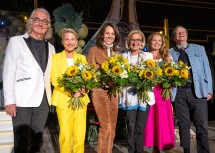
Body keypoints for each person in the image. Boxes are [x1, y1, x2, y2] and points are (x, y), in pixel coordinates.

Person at [3, 8, 55, 153]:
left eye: (45, 21)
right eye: (37, 19)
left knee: (36, 142)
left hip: (43, 102)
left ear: (48, 26)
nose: (41, 23)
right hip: (21, 100)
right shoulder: (16, 41)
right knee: (21, 142)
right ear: (31, 22)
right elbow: (9, 71)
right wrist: (9, 100)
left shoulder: (51, 47)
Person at [169, 25, 213, 153]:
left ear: (187, 35)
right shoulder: (169, 52)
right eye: (177, 33)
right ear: (174, 37)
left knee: (202, 124)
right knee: (183, 124)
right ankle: (186, 151)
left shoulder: (199, 49)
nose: (180, 34)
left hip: (198, 91)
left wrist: (209, 90)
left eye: (183, 32)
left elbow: (207, 70)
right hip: (179, 92)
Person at [51, 28, 90, 153]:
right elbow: (55, 79)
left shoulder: (82, 58)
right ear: (62, 41)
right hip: (63, 101)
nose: (70, 42)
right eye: (67, 39)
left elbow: (87, 78)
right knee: (66, 136)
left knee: (79, 136)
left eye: (72, 39)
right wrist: (71, 91)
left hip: (81, 101)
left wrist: (84, 89)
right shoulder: (55, 58)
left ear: (76, 42)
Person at [87, 22, 121, 153]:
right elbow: (89, 74)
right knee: (105, 126)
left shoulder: (116, 53)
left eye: (112, 34)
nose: (110, 36)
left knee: (112, 127)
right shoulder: (93, 50)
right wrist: (99, 71)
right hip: (99, 91)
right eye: (107, 33)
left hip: (113, 92)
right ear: (102, 35)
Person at [118, 30, 154, 153]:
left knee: (140, 128)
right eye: (133, 40)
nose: (135, 42)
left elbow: (153, 77)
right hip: (129, 97)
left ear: (142, 42)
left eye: (138, 40)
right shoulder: (123, 57)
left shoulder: (148, 56)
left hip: (144, 97)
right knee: (131, 127)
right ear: (129, 41)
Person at [144, 32, 176, 151]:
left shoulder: (167, 57)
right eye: (154, 40)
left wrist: (170, 84)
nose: (157, 43)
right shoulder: (145, 55)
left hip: (162, 92)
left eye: (159, 41)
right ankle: (151, 143)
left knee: (161, 118)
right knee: (150, 118)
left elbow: (172, 73)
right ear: (150, 42)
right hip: (149, 91)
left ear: (162, 43)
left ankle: (162, 142)